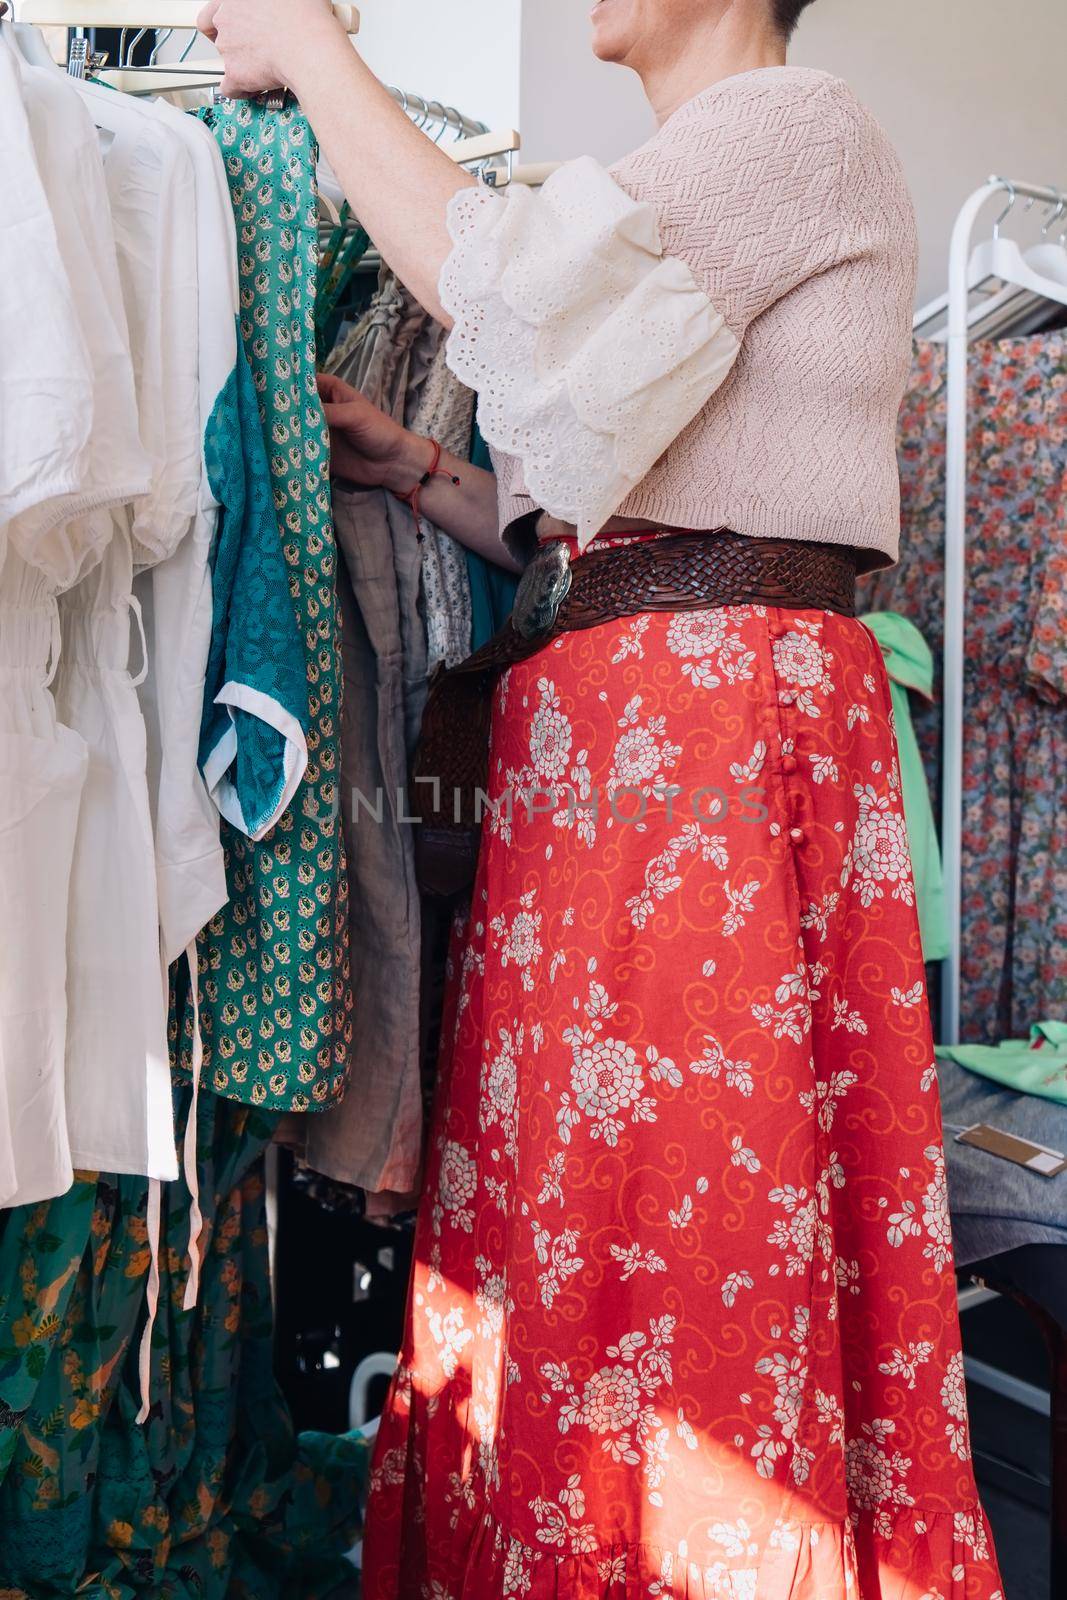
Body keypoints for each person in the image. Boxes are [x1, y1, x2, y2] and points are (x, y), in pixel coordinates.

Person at [200, 2, 1005, 1596]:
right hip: (629, 748)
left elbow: (507, 289)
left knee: (685, 1208)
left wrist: (307, 43)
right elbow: (621, 541)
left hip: (701, 756)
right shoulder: (688, 171)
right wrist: (421, 475)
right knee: (594, 1209)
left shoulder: (790, 125)